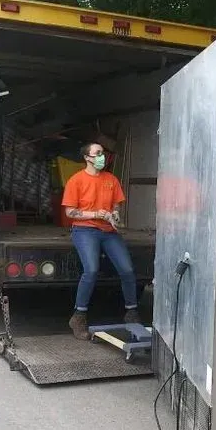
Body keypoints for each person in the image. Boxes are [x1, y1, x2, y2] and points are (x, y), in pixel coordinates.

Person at [62, 142, 140, 340]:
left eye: (102, 153)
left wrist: (114, 215)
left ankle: (131, 312)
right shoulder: (76, 180)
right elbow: (70, 212)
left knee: (127, 269)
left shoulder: (111, 180)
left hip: (108, 231)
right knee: (92, 270)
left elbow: (116, 206)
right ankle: (79, 316)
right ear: (87, 158)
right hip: (85, 230)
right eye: (97, 154)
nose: (101, 157)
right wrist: (96, 213)